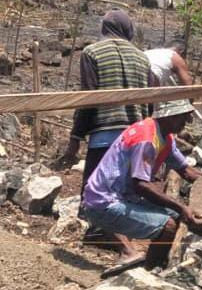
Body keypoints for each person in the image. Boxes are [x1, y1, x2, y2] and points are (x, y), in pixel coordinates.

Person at [80, 100, 202, 274]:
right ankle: (149, 274)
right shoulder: (146, 138)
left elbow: (186, 171)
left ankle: (152, 266)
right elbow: (141, 185)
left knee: (176, 216)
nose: (187, 122)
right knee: (169, 225)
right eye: (183, 117)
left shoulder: (165, 137)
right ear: (169, 116)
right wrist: (181, 206)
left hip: (121, 197)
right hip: (104, 203)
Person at [57, 10, 151, 198]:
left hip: (105, 137)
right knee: (129, 197)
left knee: (95, 197)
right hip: (137, 136)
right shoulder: (143, 58)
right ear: (128, 30)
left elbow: (90, 99)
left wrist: (76, 136)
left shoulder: (92, 53)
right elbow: (150, 102)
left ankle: (96, 227)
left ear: (104, 29)